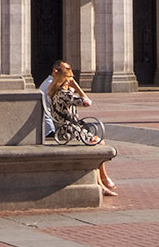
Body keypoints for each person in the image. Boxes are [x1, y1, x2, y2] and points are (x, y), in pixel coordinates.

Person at [41, 61, 118, 197]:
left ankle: (102, 181)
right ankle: (101, 183)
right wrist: (77, 87)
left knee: (98, 144)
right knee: (98, 144)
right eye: (69, 79)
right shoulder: (64, 94)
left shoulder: (53, 91)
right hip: (70, 131)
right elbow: (87, 102)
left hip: (67, 129)